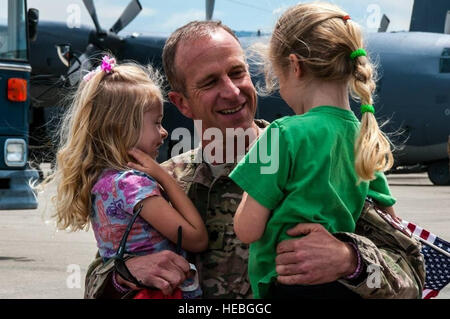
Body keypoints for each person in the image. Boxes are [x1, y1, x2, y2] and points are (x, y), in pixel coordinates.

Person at [84, 21, 425, 299]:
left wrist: (349, 260)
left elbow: (411, 275)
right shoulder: (155, 181)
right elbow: (98, 278)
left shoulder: (320, 160)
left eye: (237, 73)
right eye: (210, 82)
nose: (232, 91)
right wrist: (126, 275)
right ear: (182, 103)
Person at [229, 2, 397, 299]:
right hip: (346, 285)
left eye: (278, 78)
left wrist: (253, 186)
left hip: (287, 285)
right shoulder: (365, 136)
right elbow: (391, 224)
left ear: (295, 66)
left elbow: (247, 230)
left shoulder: (282, 133)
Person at [50, 56, 208, 298]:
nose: (164, 132)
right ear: (123, 128)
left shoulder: (103, 182)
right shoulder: (133, 185)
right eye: (156, 123)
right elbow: (196, 238)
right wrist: (164, 177)